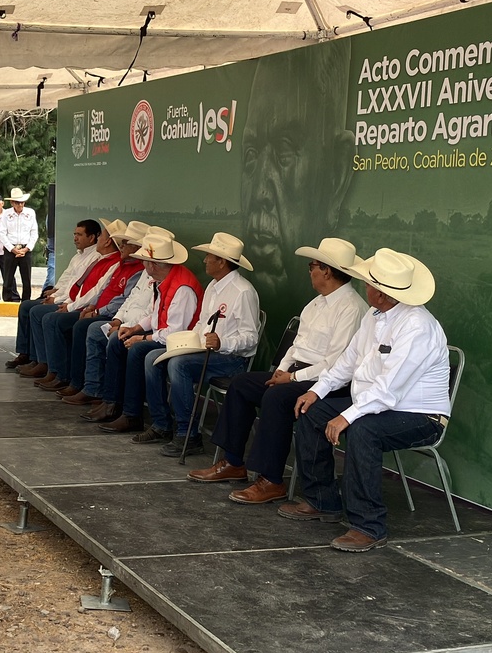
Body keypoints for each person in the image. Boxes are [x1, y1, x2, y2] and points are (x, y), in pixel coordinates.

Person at [284, 247, 451, 552]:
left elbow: (389, 389)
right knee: (312, 411)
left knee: (363, 431)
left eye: (369, 283)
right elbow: (346, 363)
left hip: (420, 415)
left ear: (382, 294)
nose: (365, 287)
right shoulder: (374, 316)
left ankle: (368, 526)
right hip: (377, 405)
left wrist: (347, 416)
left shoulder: (417, 326)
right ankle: (322, 501)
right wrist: (316, 390)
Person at [188, 238, 368, 502]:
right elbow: (297, 345)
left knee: (276, 398)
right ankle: (233, 462)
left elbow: (335, 364)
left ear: (326, 271)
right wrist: (281, 371)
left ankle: (271, 480)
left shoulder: (351, 308)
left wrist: (292, 377)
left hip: (326, 383)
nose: (310, 271)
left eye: (312, 266)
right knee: (241, 384)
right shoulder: (316, 303)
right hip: (295, 373)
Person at [240, 40, 355, 303]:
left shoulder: (347, 308)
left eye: (284, 152)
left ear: (336, 177)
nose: (260, 193)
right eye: (251, 154)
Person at [148, 232, 261, 457]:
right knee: (153, 358)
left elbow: (251, 338)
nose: (205, 260)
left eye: (210, 256)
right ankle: (161, 424)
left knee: (178, 364)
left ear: (222, 262)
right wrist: (188, 341)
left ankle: (188, 434)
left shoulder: (243, 292)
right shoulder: (213, 286)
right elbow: (202, 322)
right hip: (204, 351)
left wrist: (222, 342)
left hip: (232, 359)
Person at [97, 231, 203, 434]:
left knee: (139, 351)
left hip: (180, 342)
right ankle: (113, 403)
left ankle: (136, 415)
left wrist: (142, 338)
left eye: (145, 261)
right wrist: (134, 329)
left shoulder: (182, 288)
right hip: (165, 335)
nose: (143, 265)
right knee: (119, 340)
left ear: (153, 265)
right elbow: (155, 314)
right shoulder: (164, 280)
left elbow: (175, 333)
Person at [37, 220, 146, 395]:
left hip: (115, 316)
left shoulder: (135, 269)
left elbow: (122, 300)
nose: (121, 246)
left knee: (78, 326)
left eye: (125, 243)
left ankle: (81, 384)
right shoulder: (122, 264)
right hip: (101, 310)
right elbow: (101, 290)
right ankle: (55, 370)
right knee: (45, 314)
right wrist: (92, 306)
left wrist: (97, 311)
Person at [6, 219, 102, 369]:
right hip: (64, 296)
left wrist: (56, 299)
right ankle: (26, 353)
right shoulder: (79, 255)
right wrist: (55, 290)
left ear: (91, 237)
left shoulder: (95, 257)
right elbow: (66, 278)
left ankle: (43, 362)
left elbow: (78, 287)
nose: (75, 238)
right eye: (74, 234)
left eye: (79, 235)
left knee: (37, 312)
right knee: (26, 306)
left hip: (72, 301)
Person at [0, 187, 37, 301]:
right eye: (17, 202)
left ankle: (26, 301)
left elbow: (34, 232)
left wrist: (27, 248)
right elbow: (2, 233)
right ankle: (7, 300)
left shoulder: (30, 213)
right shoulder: (6, 214)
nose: (20, 205)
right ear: (12, 202)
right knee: (8, 278)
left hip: (25, 248)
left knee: (26, 279)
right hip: (11, 248)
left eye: (22, 202)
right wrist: (11, 248)